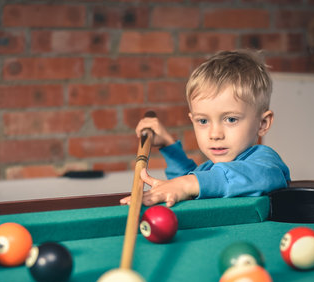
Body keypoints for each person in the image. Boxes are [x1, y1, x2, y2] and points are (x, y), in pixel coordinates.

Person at [120, 50, 290, 207]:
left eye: (231, 119)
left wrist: (189, 184)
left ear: (263, 123)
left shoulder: (265, 161)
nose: (215, 134)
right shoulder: (207, 170)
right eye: (203, 121)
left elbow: (264, 177)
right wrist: (168, 146)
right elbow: (188, 182)